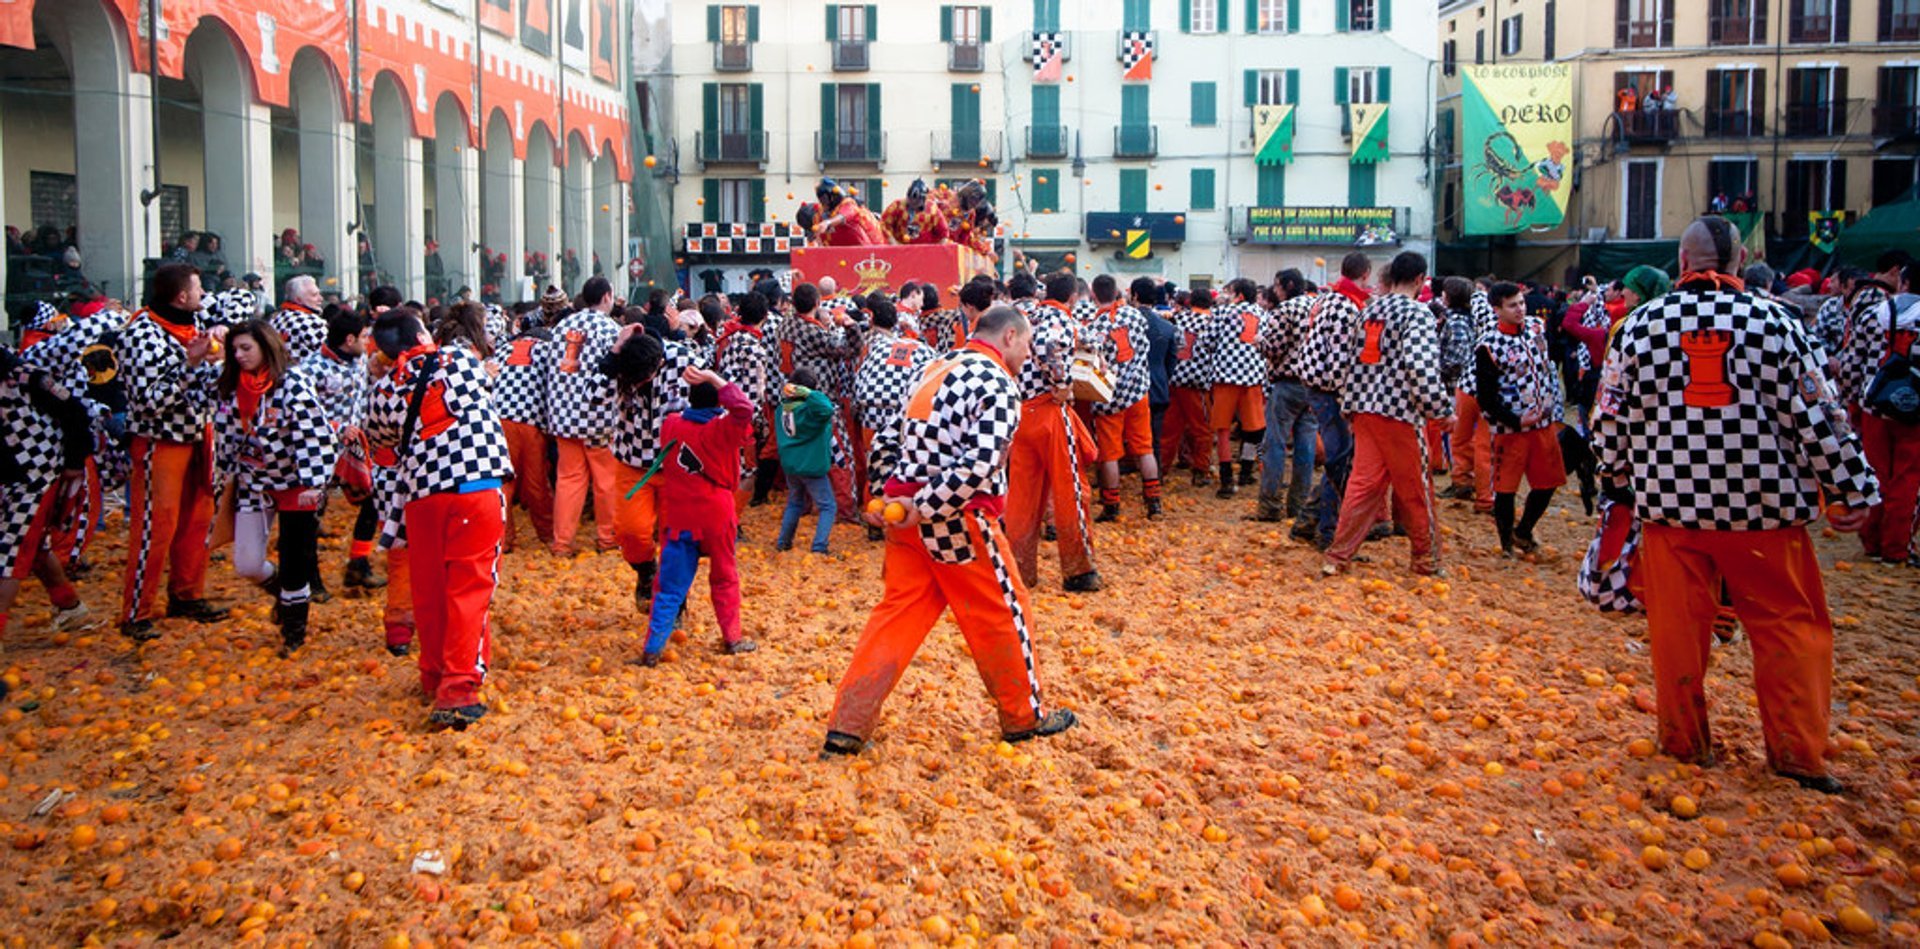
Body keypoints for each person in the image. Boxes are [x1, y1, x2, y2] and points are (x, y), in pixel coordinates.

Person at [1593, 215, 1881, 793]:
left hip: (1670, 506)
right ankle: (1798, 755)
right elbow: (1819, 416)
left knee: (1677, 632)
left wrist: (1618, 480)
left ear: (1682, 262)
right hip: (1764, 508)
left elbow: (1608, 418)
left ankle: (1684, 742)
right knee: (1789, 628)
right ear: (1741, 260)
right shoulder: (1777, 322)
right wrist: (1853, 485)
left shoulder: (1638, 327)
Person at [822, 304, 1077, 755]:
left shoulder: (934, 366)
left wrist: (883, 499)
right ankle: (1023, 718)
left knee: (895, 617)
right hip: (956, 521)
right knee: (1004, 611)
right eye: (1027, 342)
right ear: (1011, 337)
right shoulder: (998, 382)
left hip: (905, 517)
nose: (1028, 354)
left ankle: (847, 725)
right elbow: (980, 467)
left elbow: (885, 438)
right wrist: (923, 506)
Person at [365, 307, 513, 731]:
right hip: (474, 485)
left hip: (420, 496)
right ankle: (458, 689)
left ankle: (433, 674)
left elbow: (383, 445)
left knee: (429, 590)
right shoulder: (461, 360)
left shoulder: (381, 391)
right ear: (421, 333)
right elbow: (485, 383)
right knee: (470, 588)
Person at [117, 262, 228, 641]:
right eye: (198, 289)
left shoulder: (190, 324)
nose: (203, 295)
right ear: (181, 297)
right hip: (160, 441)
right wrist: (191, 363)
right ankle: (136, 612)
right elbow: (147, 401)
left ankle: (187, 594)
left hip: (199, 436)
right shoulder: (140, 334)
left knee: (199, 521)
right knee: (155, 528)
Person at [211, 321, 336, 656]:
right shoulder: (227, 384)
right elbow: (210, 418)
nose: (239, 356)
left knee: (295, 558)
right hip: (252, 480)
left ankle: (294, 631)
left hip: (295, 483)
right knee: (247, 563)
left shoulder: (292, 384)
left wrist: (314, 482)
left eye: (246, 348)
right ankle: (283, 593)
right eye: (234, 349)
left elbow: (315, 434)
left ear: (266, 346)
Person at [1322, 252, 1450, 575]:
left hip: (1363, 408)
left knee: (1361, 486)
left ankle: (1337, 557)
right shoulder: (1418, 314)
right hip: (1400, 412)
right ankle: (1425, 559)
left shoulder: (1368, 310)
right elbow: (1421, 368)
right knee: (1416, 488)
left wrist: (1349, 403)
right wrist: (1441, 409)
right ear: (1420, 280)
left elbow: (1348, 360)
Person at [635, 366, 757, 665]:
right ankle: (732, 638)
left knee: (669, 585)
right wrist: (717, 379)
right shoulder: (722, 429)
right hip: (717, 509)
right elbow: (743, 408)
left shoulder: (671, 425)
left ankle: (653, 648)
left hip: (678, 512)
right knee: (724, 576)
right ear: (718, 403)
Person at [606, 313, 707, 612]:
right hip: (632, 459)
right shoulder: (616, 363)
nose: (641, 384)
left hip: (676, 464)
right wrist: (612, 356)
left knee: (676, 538)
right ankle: (645, 571)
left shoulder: (685, 360)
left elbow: (710, 400)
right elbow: (593, 400)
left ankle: (675, 601)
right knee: (630, 531)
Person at [1006, 272, 1100, 592]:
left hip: (1020, 413)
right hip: (1048, 410)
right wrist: (1062, 383)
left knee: (1022, 496)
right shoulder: (1057, 317)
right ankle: (1079, 570)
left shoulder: (1021, 315)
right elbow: (1050, 344)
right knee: (1071, 490)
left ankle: (1019, 571)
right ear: (1072, 298)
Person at [0, 345, 98, 642]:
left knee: (8, 554)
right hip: (12, 475)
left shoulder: (27, 377)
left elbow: (76, 413)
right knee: (34, 548)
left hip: (36, 474)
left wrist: (73, 461)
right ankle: (70, 606)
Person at [291, 307, 385, 591]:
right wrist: (333, 426)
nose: (367, 342)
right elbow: (298, 411)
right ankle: (312, 583)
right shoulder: (308, 369)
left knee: (373, 500)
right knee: (310, 516)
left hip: (351, 449)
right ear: (348, 339)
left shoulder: (357, 362)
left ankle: (358, 563)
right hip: (316, 451)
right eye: (363, 337)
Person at [1472, 282, 1566, 556]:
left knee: (1548, 482)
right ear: (1497, 309)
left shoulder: (1537, 327)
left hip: (1543, 424)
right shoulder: (1489, 345)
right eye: (1512, 305)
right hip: (1510, 429)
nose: (1520, 309)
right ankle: (1506, 546)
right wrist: (1515, 420)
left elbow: (1550, 365)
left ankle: (1523, 530)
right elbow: (1486, 397)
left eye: (1521, 303)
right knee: (1505, 489)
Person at [1836, 255, 1918, 566]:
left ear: (1904, 281)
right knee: (1909, 479)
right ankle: (1897, 548)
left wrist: (1850, 401)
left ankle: (1872, 542)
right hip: (1915, 410)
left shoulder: (1872, 314)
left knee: (1874, 473)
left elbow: (1849, 365)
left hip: (1873, 403)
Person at [540, 277, 623, 556]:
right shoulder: (609, 328)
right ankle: (607, 538)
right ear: (607, 297)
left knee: (569, 479)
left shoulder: (562, 326)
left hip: (563, 415)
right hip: (598, 416)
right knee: (605, 479)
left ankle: (562, 542)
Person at [1294, 254, 1372, 548]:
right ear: (1365, 274)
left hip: (1316, 385)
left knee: (1338, 460)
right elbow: (1340, 363)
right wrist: (1348, 402)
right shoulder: (1346, 306)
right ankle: (1328, 533)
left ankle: (1308, 521)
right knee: (1340, 462)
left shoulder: (1329, 299)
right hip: (1328, 390)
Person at [852, 295, 936, 536]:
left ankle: (874, 521)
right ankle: (897, 520)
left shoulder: (878, 347)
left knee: (875, 464)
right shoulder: (925, 351)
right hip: (902, 414)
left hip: (872, 411)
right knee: (902, 467)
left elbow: (860, 379)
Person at [1085, 275, 1162, 521]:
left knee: (1109, 455)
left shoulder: (1093, 327)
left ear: (1094, 295)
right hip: (1138, 392)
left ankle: (1112, 505)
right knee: (1144, 449)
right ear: (1117, 292)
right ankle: (1154, 503)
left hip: (1108, 397)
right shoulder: (1135, 315)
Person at [492, 300, 557, 550]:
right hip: (529, 422)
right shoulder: (546, 351)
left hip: (498, 420)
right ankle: (549, 535)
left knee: (504, 482)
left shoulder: (502, 349)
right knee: (536, 483)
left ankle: (502, 538)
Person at [1255, 271, 1318, 522]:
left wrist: (1259, 341)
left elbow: (1274, 347)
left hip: (1287, 383)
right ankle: (1299, 504)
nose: (1275, 290)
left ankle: (1270, 504)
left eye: (1277, 286)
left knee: (1276, 443)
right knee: (1306, 445)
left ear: (1288, 286)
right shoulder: (1319, 306)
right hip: (1313, 385)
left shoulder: (1285, 310)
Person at [1198, 278, 1270, 498]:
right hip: (1254, 376)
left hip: (1225, 376)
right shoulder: (1264, 314)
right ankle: (1250, 471)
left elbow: (1206, 342)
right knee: (1254, 428)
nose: (1225, 295)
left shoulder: (1222, 313)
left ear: (1238, 295)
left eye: (1229, 291)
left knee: (1223, 429)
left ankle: (1227, 480)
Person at [713, 290, 783, 507]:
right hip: (741, 418)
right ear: (764, 316)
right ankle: (731, 519)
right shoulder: (753, 348)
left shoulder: (729, 337)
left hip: (722, 410)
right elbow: (754, 394)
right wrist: (759, 422)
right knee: (747, 473)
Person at [1439, 278, 1495, 510]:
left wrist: (1435, 368)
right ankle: (1462, 481)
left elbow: (1457, 357)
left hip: (1460, 385)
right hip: (1467, 385)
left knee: (1470, 440)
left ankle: (1480, 493)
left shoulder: (1458, 322)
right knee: (1462, 438)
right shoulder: (1465, 319)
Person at [776, 369, 839, 553]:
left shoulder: (782, 408)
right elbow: (827, 409)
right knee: (828, 506)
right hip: (811, 466)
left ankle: (783, 543)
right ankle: (820, 546)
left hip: (790, 465)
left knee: (795, 503)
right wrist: (811, 394)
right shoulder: (811, 412)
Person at [1158, 288, 1215, 484]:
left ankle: (1160, 470)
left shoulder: (1178, 318)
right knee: (1202, 428)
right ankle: (1200, 470)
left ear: (1191, 301)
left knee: (1169, 429)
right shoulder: (1212, 322)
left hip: (1173, 378)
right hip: (1196, 382)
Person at [880, 179, 951, 246]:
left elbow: (944, 233)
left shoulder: (933, 209)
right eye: (910, 199)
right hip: (900, 248)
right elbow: (884, 224)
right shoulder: (897, 206)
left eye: (916, 201)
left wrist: (938, 251)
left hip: (924, 251)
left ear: (923, 199)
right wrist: (893, 242)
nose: (912, 202)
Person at [274, 276, 328, 363]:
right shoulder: (311, 322)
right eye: (314, 295)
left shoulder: (276, 319)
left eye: (319, 294)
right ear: (298, 300)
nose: (321, 299)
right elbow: (332, 354)